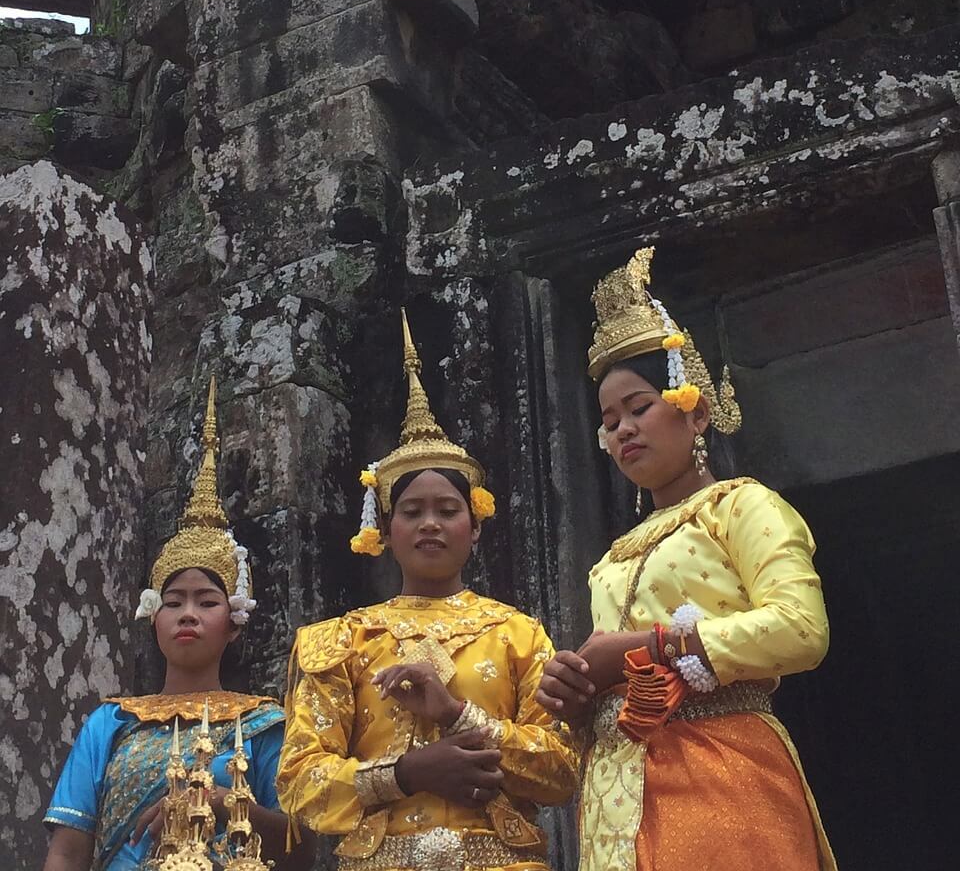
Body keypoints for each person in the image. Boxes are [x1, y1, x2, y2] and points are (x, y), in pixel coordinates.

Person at [536, 247, 837, 871]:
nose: (623, 430)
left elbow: (801, 630)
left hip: (723, 766)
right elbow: (612, 680)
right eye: (609, 420)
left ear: (694, 409)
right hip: (619, 793)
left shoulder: (741, 507)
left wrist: (647, 645)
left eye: (640, 406)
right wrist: (577, 696)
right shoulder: (610, 561)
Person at [277, 311, 578, 871]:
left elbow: (561, 770)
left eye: (448, 510)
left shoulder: (518, 633)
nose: (430, 525)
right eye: (412, 512)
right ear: (386, 532)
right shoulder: (341, 640)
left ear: (477, 526)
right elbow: (298, 783)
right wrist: (406, 774)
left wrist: (459, 716)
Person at [42, 378, 312, 871]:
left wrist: (221, 804)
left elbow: (300, 850)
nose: (187, 613)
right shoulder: (112, 723)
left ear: (234, 623)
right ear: (154, 617)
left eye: (206, 602)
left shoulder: (263, 725)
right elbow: (67, 849)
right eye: (174, 602)